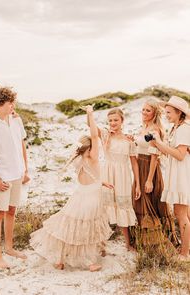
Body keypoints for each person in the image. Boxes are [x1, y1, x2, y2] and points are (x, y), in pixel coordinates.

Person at [30, 105, 113, 271]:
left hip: (79, 196)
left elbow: (89, 177)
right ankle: (88, 261)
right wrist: (90, 113)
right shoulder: (93, 157)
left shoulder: (77, 159)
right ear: (90, 148)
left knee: (68, 226)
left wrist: (102, 182)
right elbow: (95, 135)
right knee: (86, 227)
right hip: (91, 198)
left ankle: (59, 259)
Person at [132, 98, 178, 247]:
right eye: (143, 109)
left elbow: (154, 156)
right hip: (140, 166)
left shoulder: (154, 130)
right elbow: (141, 147)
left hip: (149, 169)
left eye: (148, 110)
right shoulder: (144, 127)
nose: (144, 112)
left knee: (150, 203)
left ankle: (157, 243)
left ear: (154, 113)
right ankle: (145, 242)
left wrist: (150, 179)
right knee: (140, 201)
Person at [0, 87, 28, 268]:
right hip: (2, 175)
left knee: (12, 211)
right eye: (9, 103)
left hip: (17, 173)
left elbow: (22, 145)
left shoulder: (16, 120)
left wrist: (25, 170)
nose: (12, 105)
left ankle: (9, 248)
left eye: (13, 102)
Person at [151, 96, 190, 260]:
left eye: (168, 112)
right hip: (178, 171)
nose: (166, 115)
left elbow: (180, 155)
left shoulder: (183, 129)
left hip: (181, 173)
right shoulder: (177, 127)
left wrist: (159, 143)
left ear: (178, 112)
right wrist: (158, 145)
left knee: (181, 213)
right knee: (184, 213)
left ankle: (185, 252)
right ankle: (186, 247)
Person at [97, 108, 140, 251]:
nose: (113, 123)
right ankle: (101, 244)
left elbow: (134, 163)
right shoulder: (105, 135)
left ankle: (128, 243)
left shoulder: (129, 140)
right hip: (107, 173)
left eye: (116, 120)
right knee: (104, 209)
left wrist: (138, 184)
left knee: (123, 207)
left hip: (123, 176)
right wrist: (90, 113)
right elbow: (91, 126)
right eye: (110, 120)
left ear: (122, 121)